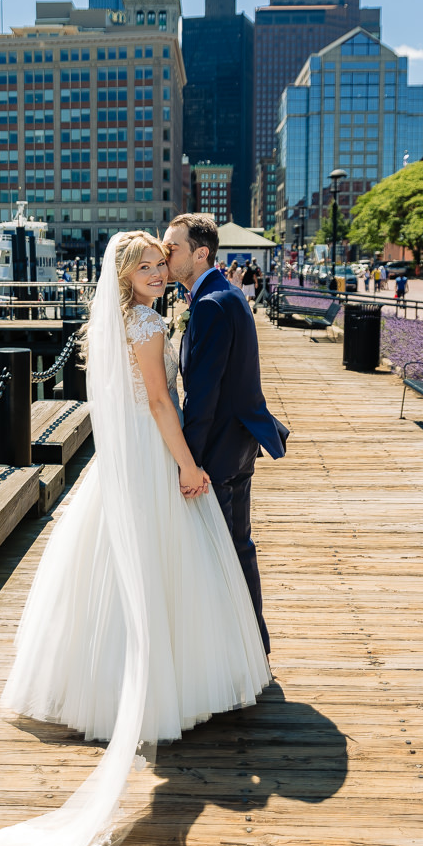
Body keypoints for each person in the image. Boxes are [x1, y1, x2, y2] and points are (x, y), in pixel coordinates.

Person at [0, 230, 270, 846]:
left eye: (160, 263)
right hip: (153, 460)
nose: (157, 273)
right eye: (146, 266)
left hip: (121, 468)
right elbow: (157, 405)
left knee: (119, 573)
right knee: (158, 570)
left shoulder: (119, 320)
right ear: (126, 276)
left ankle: (104, 683)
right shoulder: (146, 323)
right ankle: (154, 691)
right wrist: (186, 465)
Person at [163, 213, 288, 655]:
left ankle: (247, 649)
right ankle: (248, 644)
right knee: (237, 546)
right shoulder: (222, 294)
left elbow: (204, 397)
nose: (165, 253)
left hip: (218, 452)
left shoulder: (212, 304)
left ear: (201, 253)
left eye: (172, 246)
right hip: (235, 445)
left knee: (229, 551)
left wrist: (188, 464)